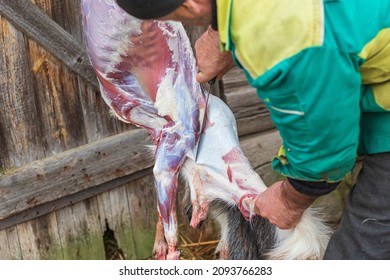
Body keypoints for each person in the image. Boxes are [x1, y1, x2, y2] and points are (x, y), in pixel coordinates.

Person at [115, 0, 390, 259]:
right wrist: (221, 34)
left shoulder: (285, 39)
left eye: (172, 17)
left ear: (190, 5)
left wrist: (290, 199)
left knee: (359, 252)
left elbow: (324, 147)